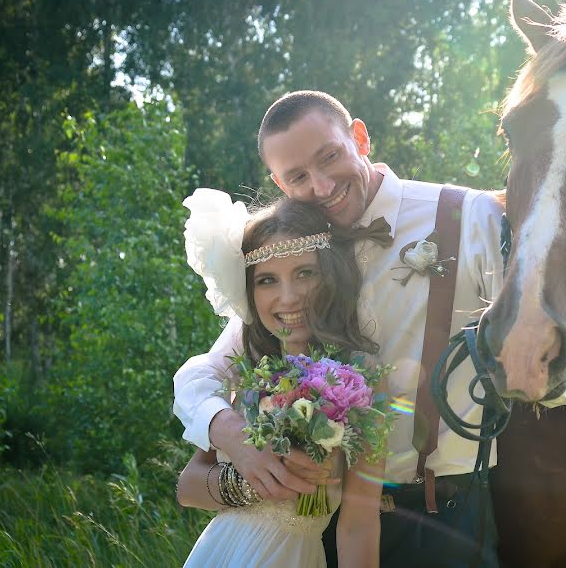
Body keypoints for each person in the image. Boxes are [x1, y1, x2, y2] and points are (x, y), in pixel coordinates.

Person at [174, 90, 505, 567]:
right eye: (298, 177)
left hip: (443, 514)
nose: (323, 185)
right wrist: (236, 441)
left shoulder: (468, 216)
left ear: (360, 137)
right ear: (279, 184)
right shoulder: (294, 255)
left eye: (330, 156)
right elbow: (201, 376)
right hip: (320, 532)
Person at [177, 193, 384, 568]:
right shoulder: (249, 365)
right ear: (249, 292)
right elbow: (188, 486)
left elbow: (358, 524)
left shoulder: (358, 376)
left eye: (305, 273)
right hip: (222, 551)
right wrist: (250, 475)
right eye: (267, 280)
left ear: (330, 275)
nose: (288, 298)